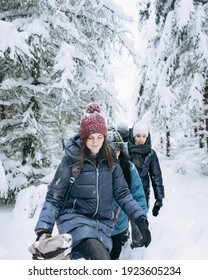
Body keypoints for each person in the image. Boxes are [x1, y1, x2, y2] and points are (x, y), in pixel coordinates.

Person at [32, 103, 151, 260]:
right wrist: (43, 230)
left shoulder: (112, 163)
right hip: (75, 220)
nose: (95, 142)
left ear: (104, 137)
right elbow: (54, 197)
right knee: (100, 258)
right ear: (84, 137)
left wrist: (140, 218)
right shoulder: (71, 160)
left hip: (102, 226)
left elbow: (123, 194)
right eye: (91, 137)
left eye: (100, 137)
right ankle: (57, 249)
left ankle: (62, 254)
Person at [107, 128, 148, 260]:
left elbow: (138, 195)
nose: (114, 154)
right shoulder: (95, 169)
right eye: (109, 150)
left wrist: (141, 221)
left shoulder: (128, 168)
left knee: (113, 256)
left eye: (117, 150)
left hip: (120, 225)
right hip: (100, 228)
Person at [128, 120, 165, 215]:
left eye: (144, 136)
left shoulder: (151, 154)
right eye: (138, 136)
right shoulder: (126, 151)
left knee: (139, 223)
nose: (141, 139)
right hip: (126, 192)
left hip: (142, 192)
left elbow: (156, 176)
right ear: (133, 136)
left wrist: (159, 198)